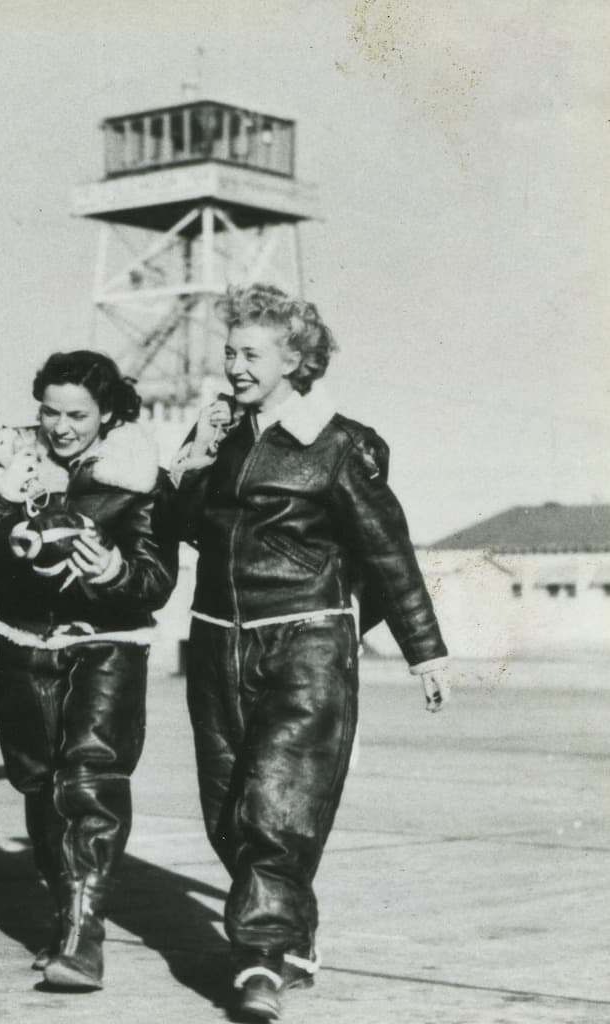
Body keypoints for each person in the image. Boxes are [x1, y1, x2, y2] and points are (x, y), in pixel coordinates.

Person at [171, 284, 454, 1021]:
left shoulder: (337, 443)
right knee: (228, 811)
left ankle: (259, 959)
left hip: (306, 643)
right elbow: (175, 528)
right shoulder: (217, 438)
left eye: (250, 354)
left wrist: (423, 651)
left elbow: (386, 551)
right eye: (228, 352)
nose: (233, 366)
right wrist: (189, 462)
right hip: (214, 643)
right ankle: (290, 937)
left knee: (277, 801)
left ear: (294, 360)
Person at [0, 350, 177, 991]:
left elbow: (156, 579)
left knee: (90, 784)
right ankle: (66, 915)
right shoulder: (11, 462)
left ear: (108, 414)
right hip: (22, 645)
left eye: (77, 414)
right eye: (49, 411)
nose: (61, 426)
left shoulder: (141, 476)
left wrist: (113, 573)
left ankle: (84, 938)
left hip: (107, 644)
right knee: (41, 786)